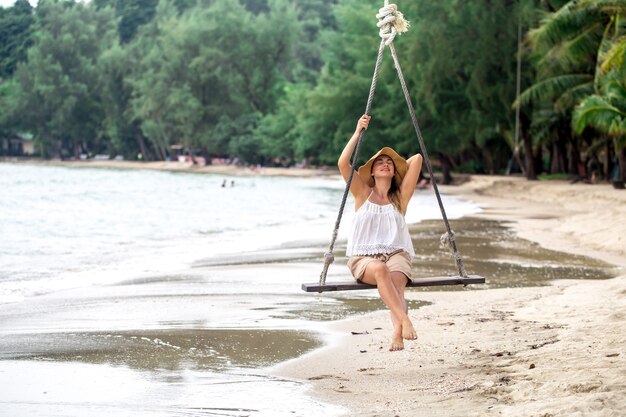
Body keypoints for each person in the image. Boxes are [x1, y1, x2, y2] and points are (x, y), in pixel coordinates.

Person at [338, 114, 423, 351]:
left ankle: (397, 333)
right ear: (372, 172)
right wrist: (357, 132)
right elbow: (343, 164)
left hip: (397, 253)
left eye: (389, 162)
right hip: (364, 259)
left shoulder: (399, 199)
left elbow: (416, 159)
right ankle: (405, 320)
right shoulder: (361, 193)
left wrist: (398, 163)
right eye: (379, 162)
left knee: (397, 285)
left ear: (394, 171)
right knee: (380, 269)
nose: (385, 164)